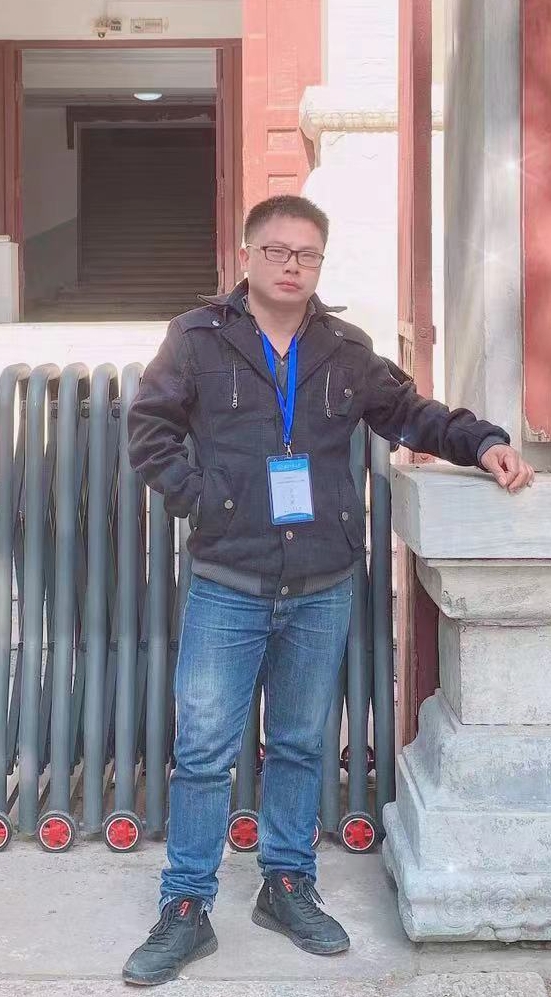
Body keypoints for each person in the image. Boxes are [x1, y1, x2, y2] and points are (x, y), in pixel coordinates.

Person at [122, 195, 534, 986]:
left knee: (300, 741)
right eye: (276, 251)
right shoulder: (196, 338)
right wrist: (203, 499)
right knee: (203, 750)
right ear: (247, 255)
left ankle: (285, 883)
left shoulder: (344, 348)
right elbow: (149, 430)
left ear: (320, 263)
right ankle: (185, 903)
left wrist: (481, 441)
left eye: (306, 254)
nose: (291, 266)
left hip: (322, 581)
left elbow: (408, 412)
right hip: (227, 580)